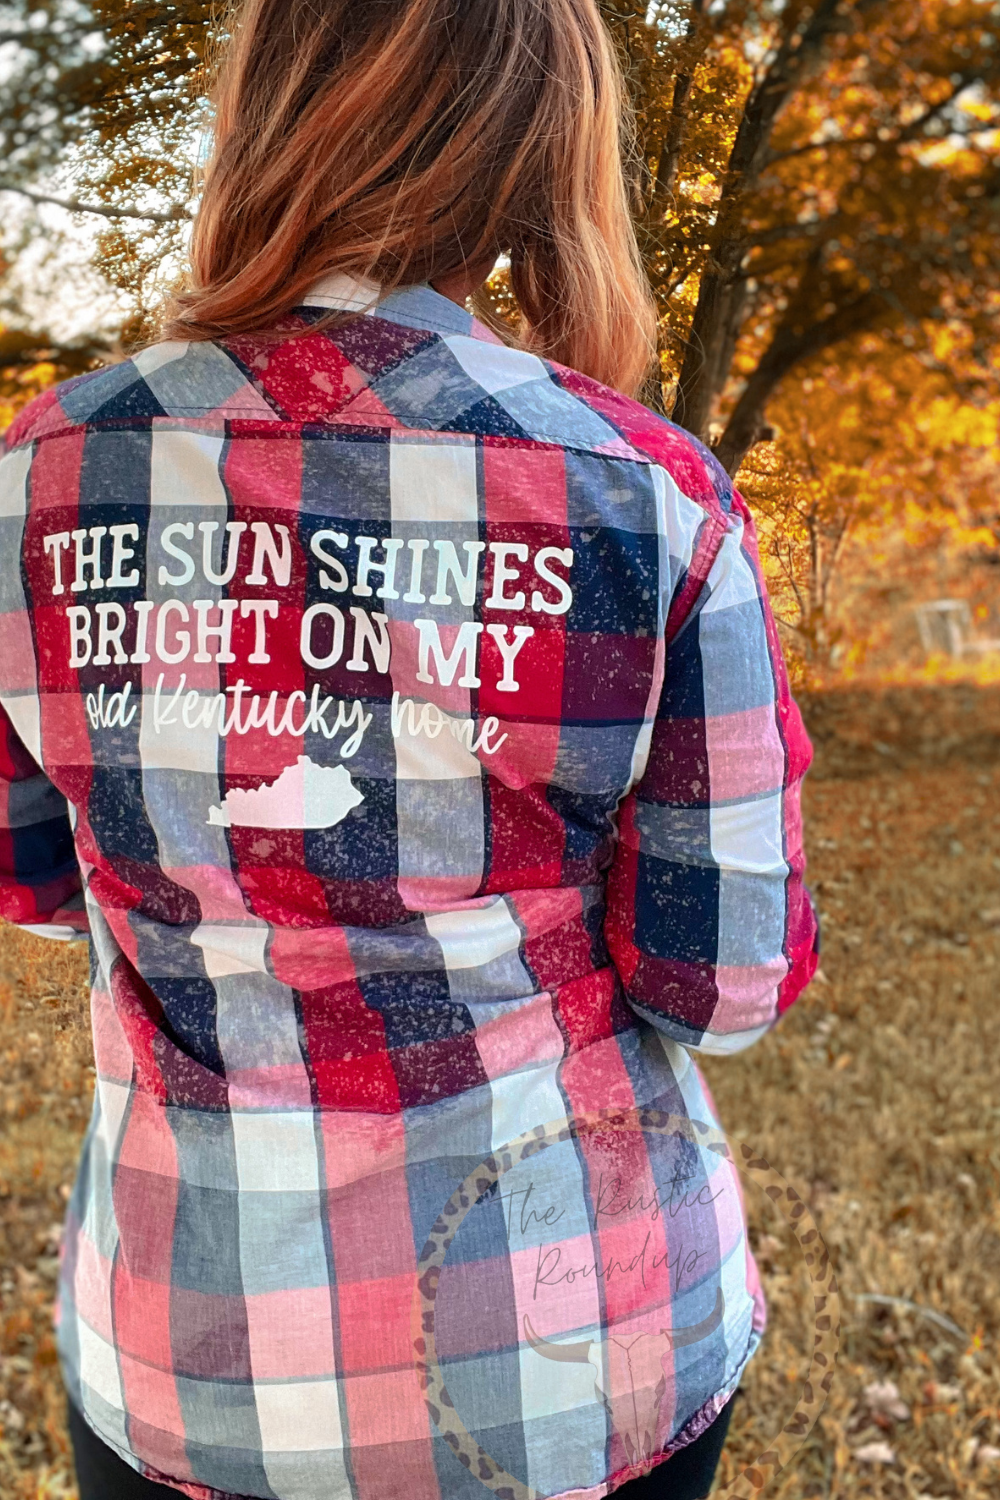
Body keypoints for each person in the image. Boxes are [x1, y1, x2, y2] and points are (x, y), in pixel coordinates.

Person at [0, 1, 819, 1496]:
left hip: (190, 1362)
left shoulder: (34, 480)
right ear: (542, 143)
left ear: (266, 108)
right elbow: (724, 985)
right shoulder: (646, 496)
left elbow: (35, 877)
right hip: (564, 1362)